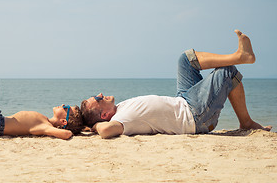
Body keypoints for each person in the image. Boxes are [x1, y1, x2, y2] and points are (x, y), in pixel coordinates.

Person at [80, 30, 272, 139]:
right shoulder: (121, 120)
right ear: (104, 115)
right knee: (226, 72)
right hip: (196, 116)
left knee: (185, 59)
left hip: (185, 101)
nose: (100, 94)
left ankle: (239, 56)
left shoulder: (120, 108)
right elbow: (105, 131)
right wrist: (95, 125)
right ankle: (246, 122)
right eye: (97, 99)